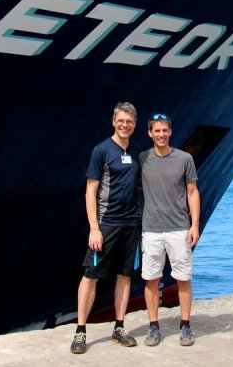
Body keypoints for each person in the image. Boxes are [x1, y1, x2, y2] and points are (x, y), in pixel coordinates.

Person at [71, 102, 142, 354]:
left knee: (125, 275)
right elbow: (91, 190)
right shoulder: (101, 150)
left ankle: (119, 327)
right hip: (107, 223)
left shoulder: (137, 152)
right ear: (114, 121)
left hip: (131, 223)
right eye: (121, 121)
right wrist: (94, 228)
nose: (125, 125)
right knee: (90, 275)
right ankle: (80, 331)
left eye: (129, 122)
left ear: (134, 124)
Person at [139, 113, 201, 347]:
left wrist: (194, 225)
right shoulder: (143, 158)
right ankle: (153, 327)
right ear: (150, 133)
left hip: (179, 229)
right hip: (152, 230)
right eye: (157, 131)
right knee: (151, 279)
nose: (161, 135)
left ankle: (185, 326)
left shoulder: (184, 158)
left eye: (165, 131)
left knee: (183, 279)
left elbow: (192, 192)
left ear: (170, 132)